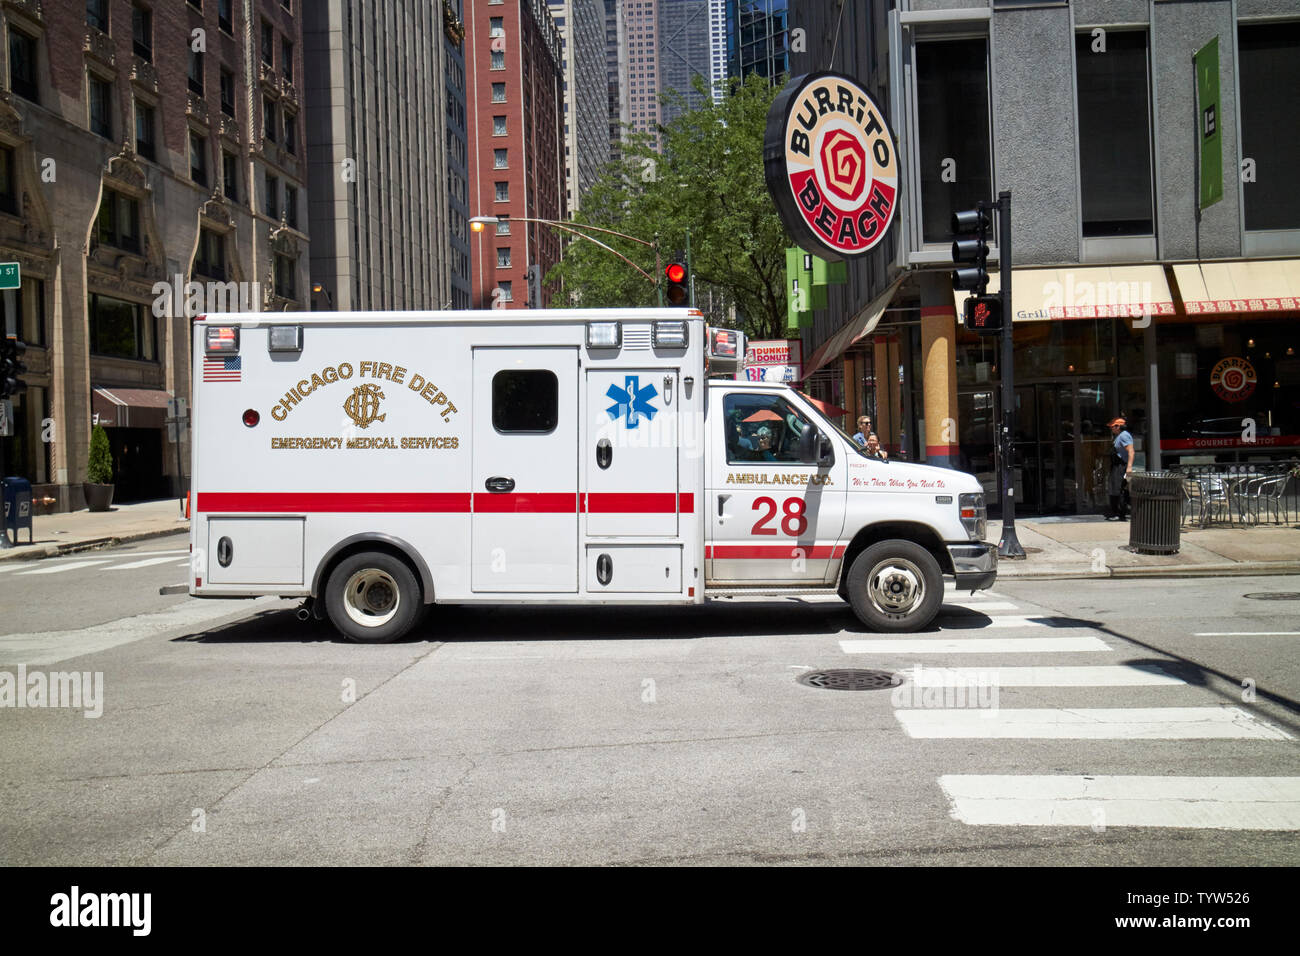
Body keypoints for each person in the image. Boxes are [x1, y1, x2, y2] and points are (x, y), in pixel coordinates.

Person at [1106, 416, 1134, 520]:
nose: (1111, 429)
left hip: (1121, 466)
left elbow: (1131, 451)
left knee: (1118, 489)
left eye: (1113, 427)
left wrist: (1129, 468)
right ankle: (1117, 512)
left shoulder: (1124, 436)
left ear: (1118, 426)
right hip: (1116, 465)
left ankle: (1119, 513)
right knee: (1114, 488)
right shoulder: (1119, 436)